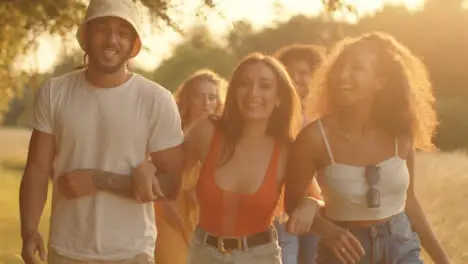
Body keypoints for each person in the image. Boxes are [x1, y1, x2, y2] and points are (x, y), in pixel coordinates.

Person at [19, 0, 184, 263]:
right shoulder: (55, 92)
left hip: (132, 253)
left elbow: (172, 184)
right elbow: (37, 168)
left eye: (122, 32)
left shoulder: (155, 100)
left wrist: (99, 180)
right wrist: (29, 231)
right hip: (66, 250)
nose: (111, 40)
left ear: (134, 45)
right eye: (102, 29)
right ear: (85, 36)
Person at [284, 32, 451, 264]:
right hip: (345, 253)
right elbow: (292, 203)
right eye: (341, 68)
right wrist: (329, 231)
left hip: (400, 246)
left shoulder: (400, 133)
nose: (343, 75)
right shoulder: (314, 138)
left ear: (380, 82)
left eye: (357, 69)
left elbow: (409, 201)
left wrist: (443, 260)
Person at [183, 52, 320, 264]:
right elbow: (164, 170)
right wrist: (146, 167)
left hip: (260, 257)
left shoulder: (288, 151)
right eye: (244, 84)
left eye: (265, 86)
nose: (253, 93)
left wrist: (312, 203)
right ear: (234, 91)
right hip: (203, 255)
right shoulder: (206, 132)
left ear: (279, 98)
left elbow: (320, 198)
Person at [154, 69, 227, 264]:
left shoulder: (222, 135)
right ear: (187, 99)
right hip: (169, 206)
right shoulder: (171, 128)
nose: (206, 104)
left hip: (204, 210)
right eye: (200, 96)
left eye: (212, 97)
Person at [274, 44, 325, 264]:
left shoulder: (324, 119)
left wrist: (315, 202)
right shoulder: (274, 116)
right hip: (281, 211)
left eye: (303, 73)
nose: (296, 77)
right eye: (289, 72)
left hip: (322, 211)